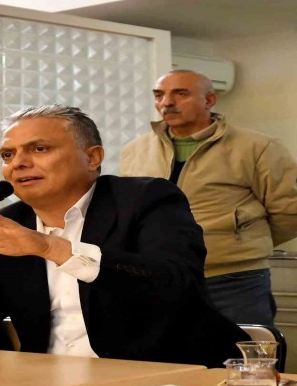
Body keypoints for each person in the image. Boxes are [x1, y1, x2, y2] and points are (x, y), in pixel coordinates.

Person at [0, 104, 246, 368]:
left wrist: (51, 248)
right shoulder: (5, 225)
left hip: (168, 377)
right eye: (8, 155)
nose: (18, 163)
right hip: (49, 384)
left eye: (39, 149)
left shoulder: (146, 199)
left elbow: (176, 285)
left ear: (93, 157)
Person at [120, 70, 297, 326]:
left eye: (181, 94)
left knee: (242, 348)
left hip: (234, 279)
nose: (167, 102)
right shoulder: (135, 151)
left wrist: (244, 241)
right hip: (161, 275)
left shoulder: (257, 147)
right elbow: (131, 211)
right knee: (171, 351)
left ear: (209, 100)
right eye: (159, 95)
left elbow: (288, 212)